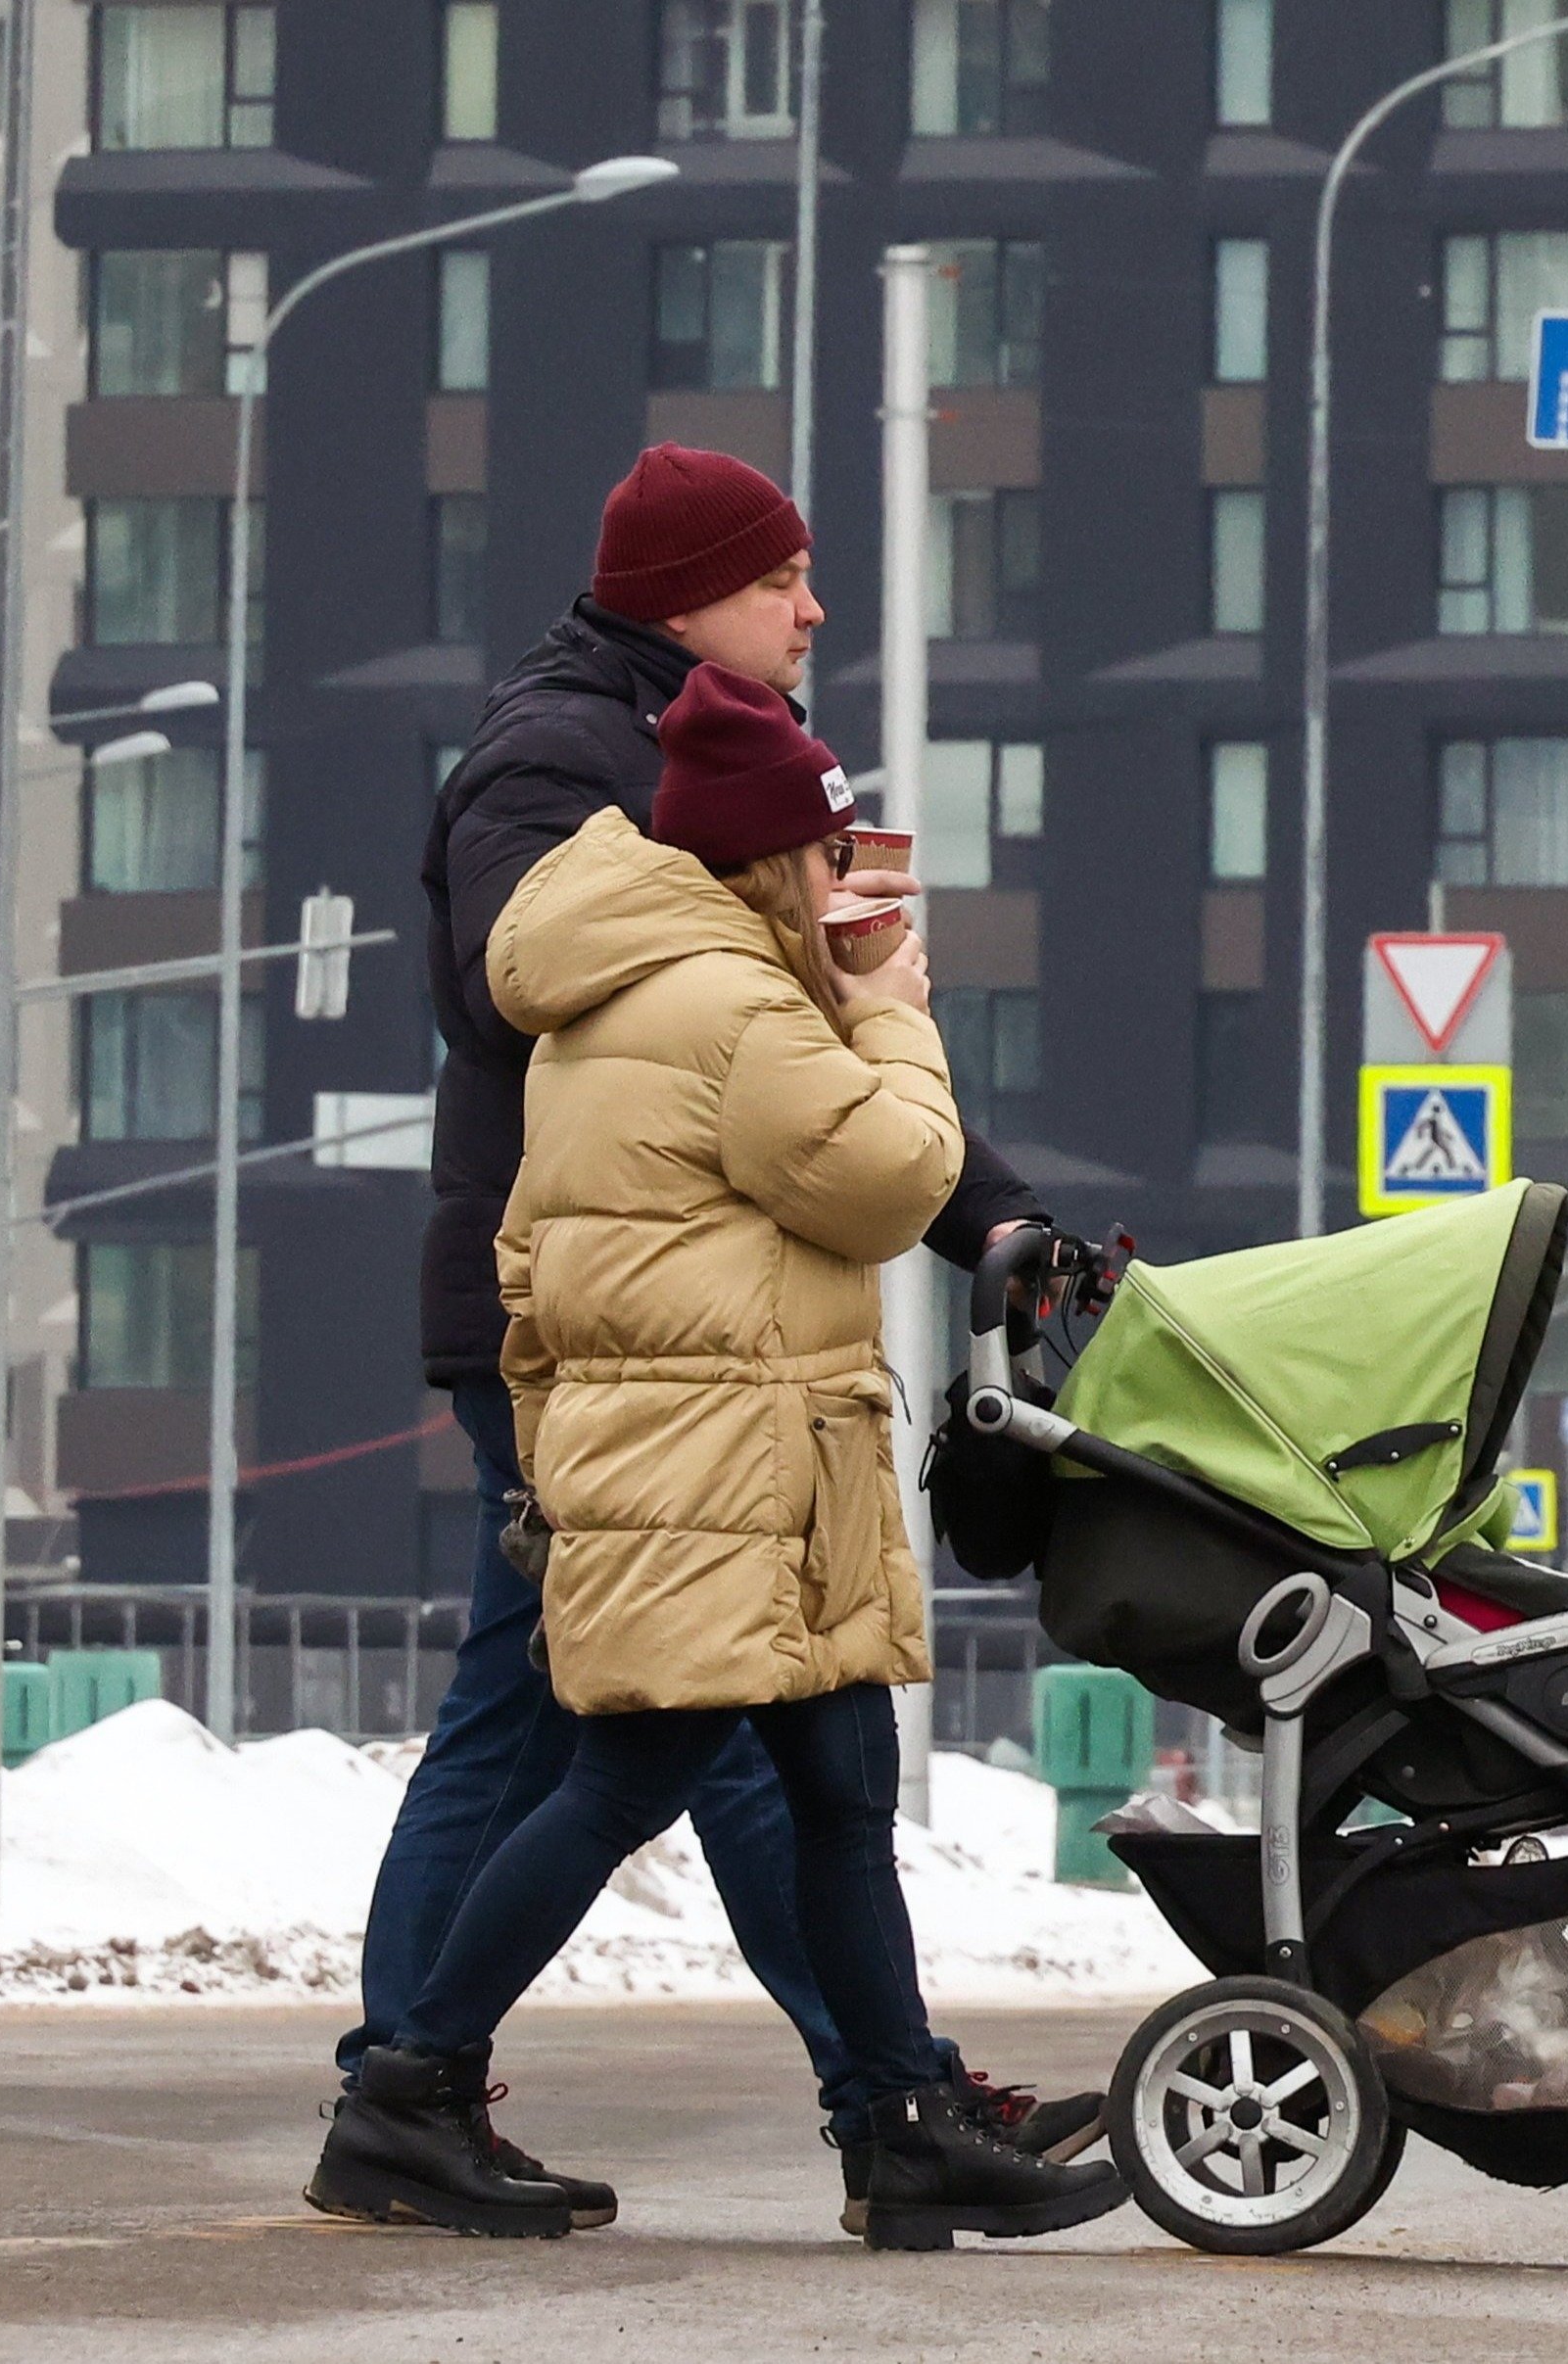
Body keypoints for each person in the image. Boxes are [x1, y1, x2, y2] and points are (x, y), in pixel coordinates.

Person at [341, 444, 1080, 2235]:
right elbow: (529, 994)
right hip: (624, 1343)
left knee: (763, 1746)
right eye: (783, 579)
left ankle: (884, 2100)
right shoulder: (568, 761)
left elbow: (810, 1080)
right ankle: (415, 2081)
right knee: (613, 1738)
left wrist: (989, 1204)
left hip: (708, 1341)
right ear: (685, 595)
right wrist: (853, 999)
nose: (815, 608)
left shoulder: (707, 832)